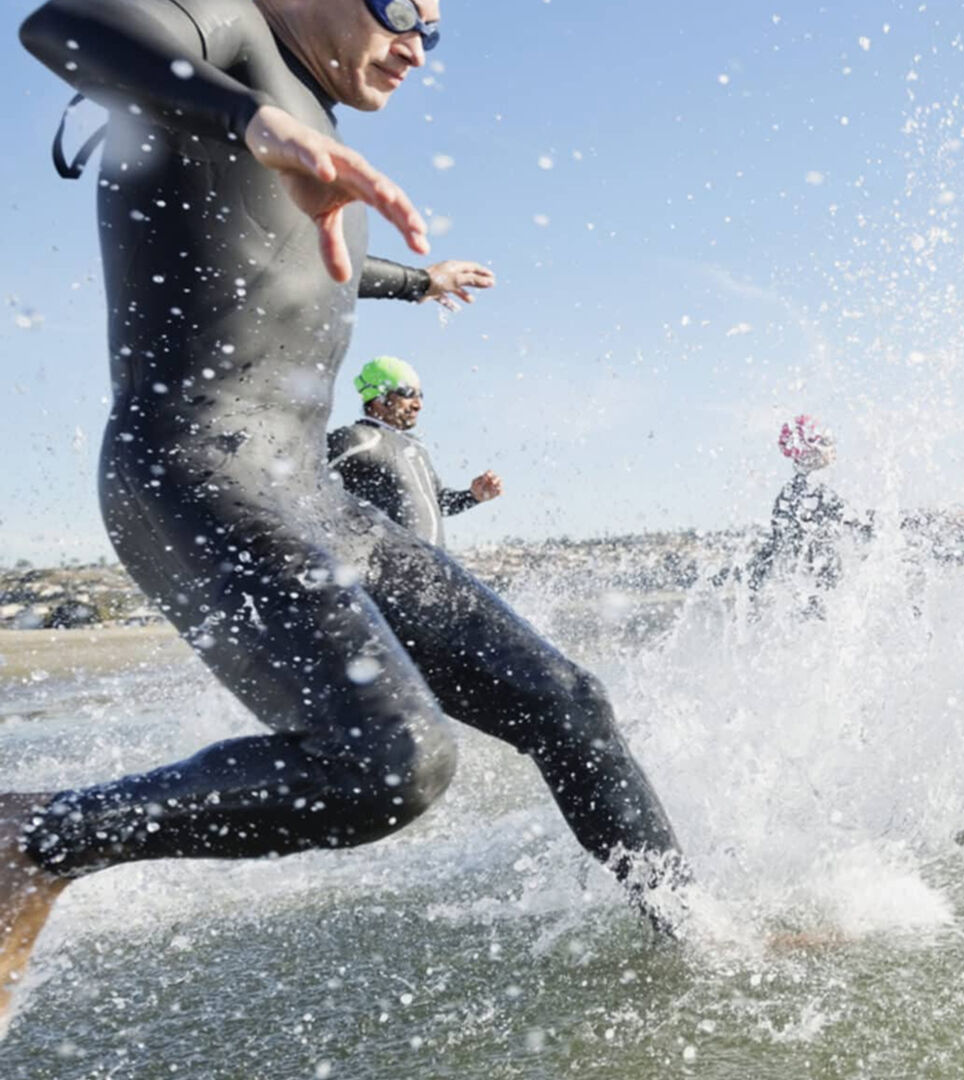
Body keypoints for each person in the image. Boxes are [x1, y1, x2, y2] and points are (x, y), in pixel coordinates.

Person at [3, 0, 684, 1028]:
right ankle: (41, 833)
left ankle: (697, 927)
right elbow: (59, 27)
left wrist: (421, 283)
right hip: (195, 474)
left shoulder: (314, 126)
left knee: (569, 706)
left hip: (313, 498)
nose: (419, 42)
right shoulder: (226, 34)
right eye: (401, 9)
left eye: (437, 31)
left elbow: (299, 257)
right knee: (390, 765)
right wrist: (255, 122)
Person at [329, 356, 504, 546]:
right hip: (381, 567)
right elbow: (302, 483)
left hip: (431, 566)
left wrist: (472, 496)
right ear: (378, 398)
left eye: (420, 395)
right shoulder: (357, 439)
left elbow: (437, 504)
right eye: (407, 393)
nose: (418, 404)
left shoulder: (415, 446)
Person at [745, 415, 873, 610]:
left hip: (802, 587)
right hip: (826, 585)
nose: (833, 447)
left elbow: (776, 545)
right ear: (811, 452)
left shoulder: (788, 494)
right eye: (827, 442)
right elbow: (858, 530)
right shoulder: (823, 490)